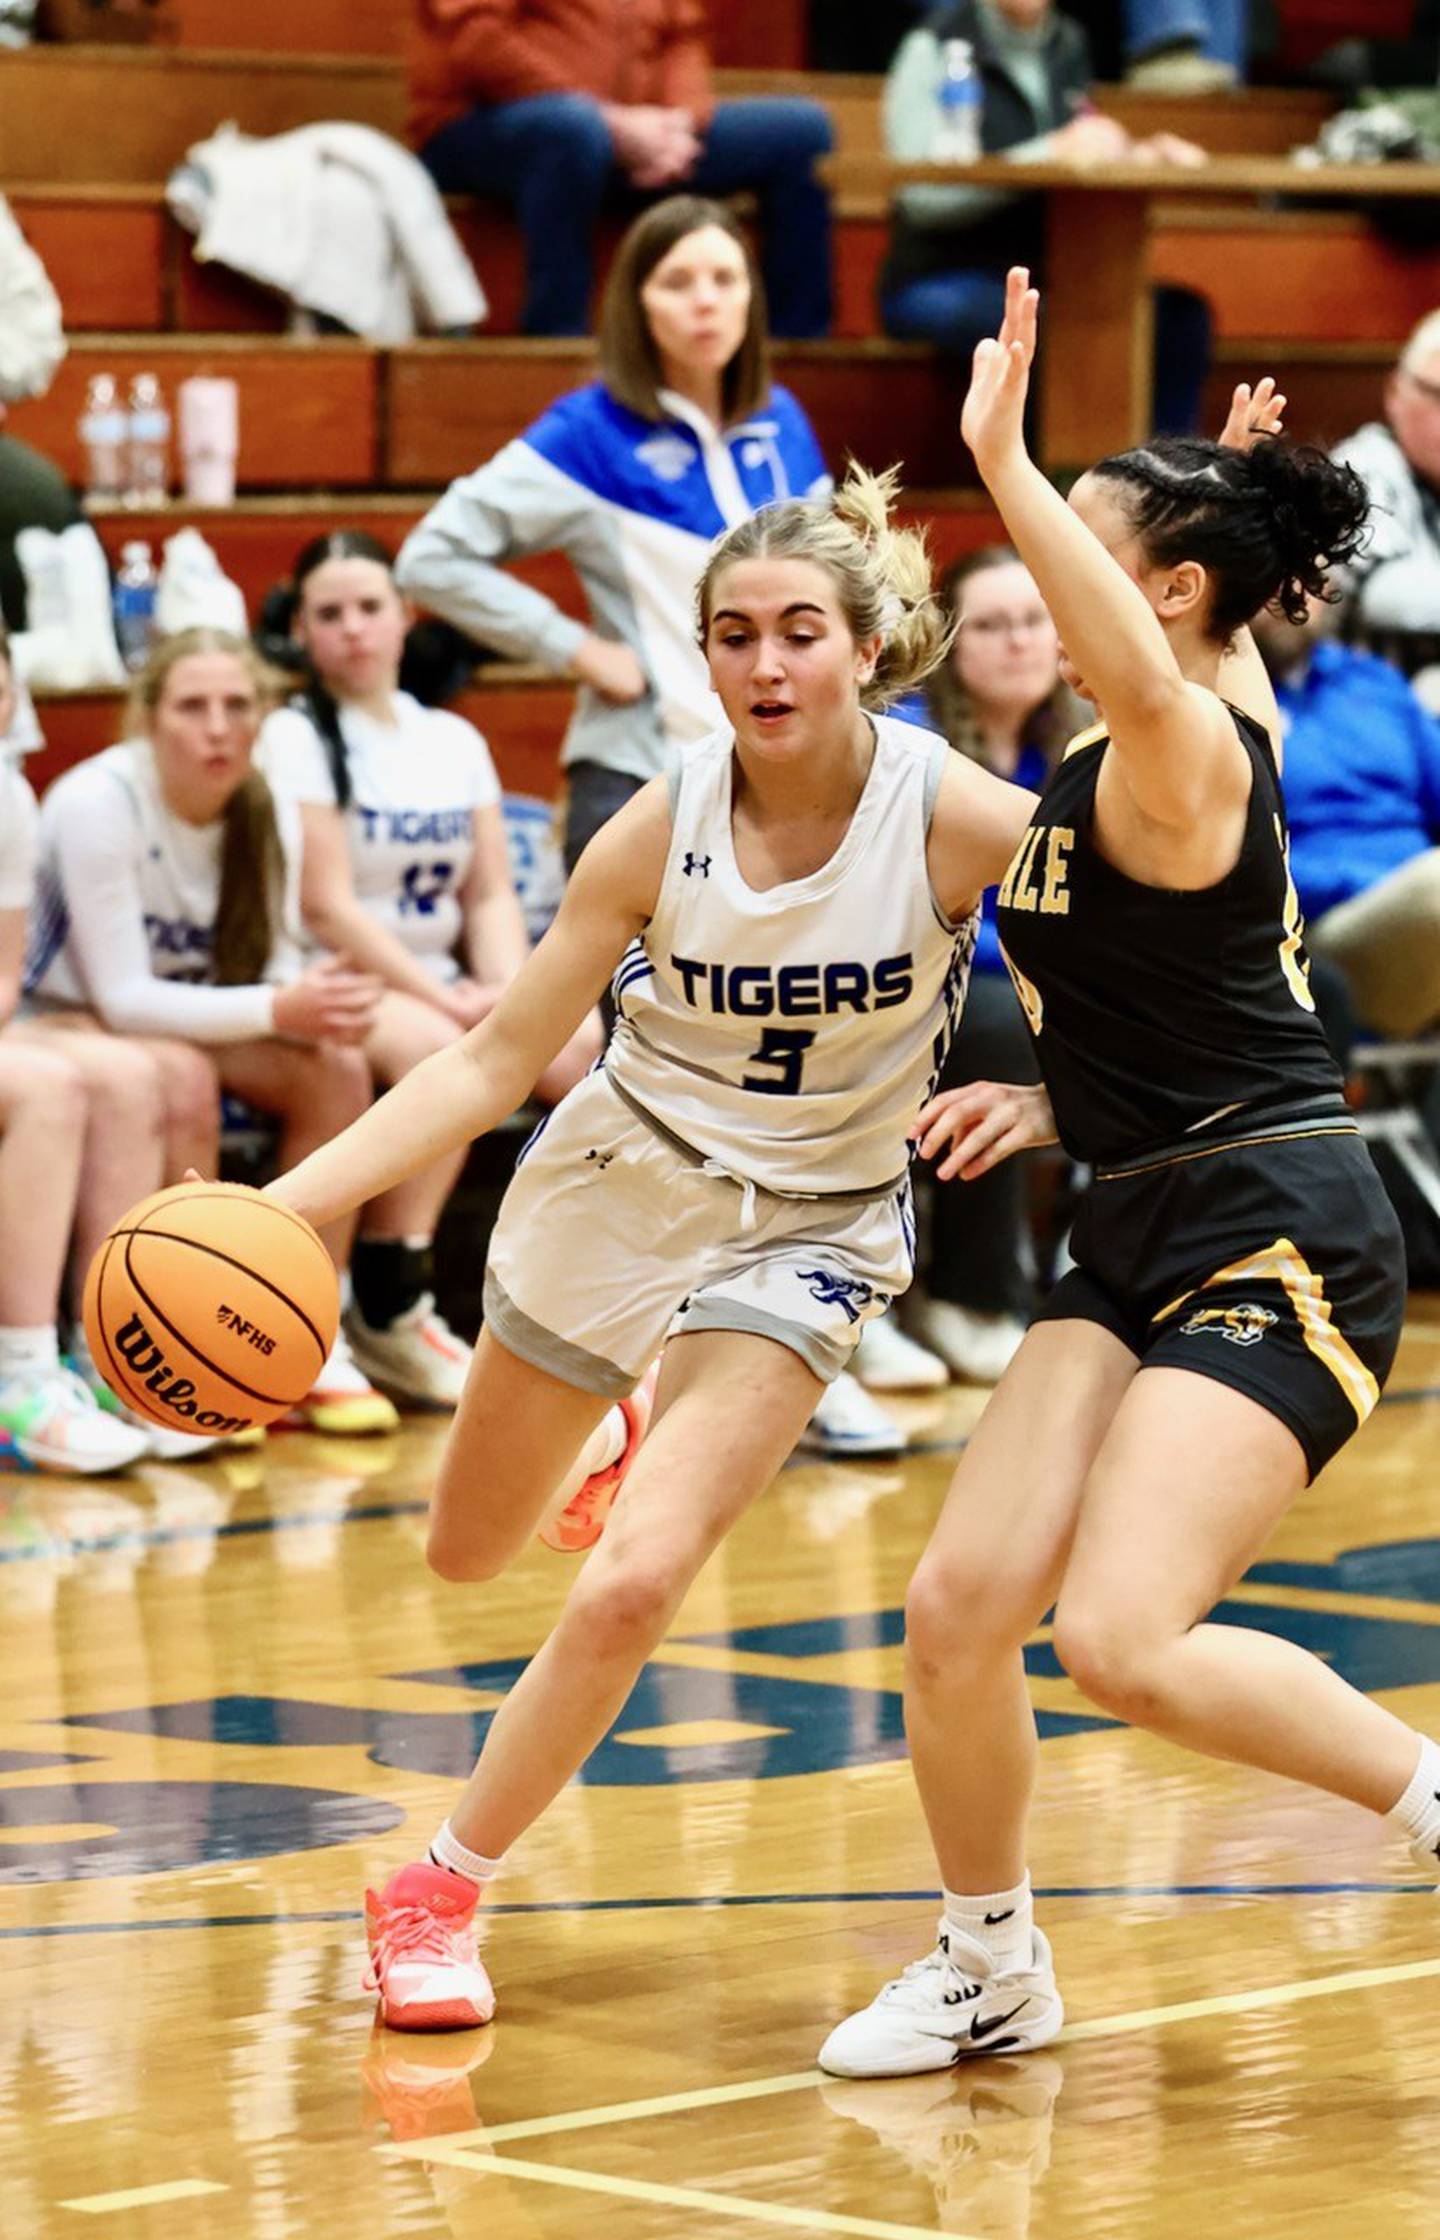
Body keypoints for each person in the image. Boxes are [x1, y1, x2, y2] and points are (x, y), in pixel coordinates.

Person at [261, 464, 1039, 2031]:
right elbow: (488, 1064)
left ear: (869, 646)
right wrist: (286, 1211)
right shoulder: (660, 819)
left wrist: (1044, 1091)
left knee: (633, 1585)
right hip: (623, 1182)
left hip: (813, 1226)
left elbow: (1163, 953)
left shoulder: (957, 813)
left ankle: (435, 1886)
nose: (765, 664)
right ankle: (619, 1405)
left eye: (800, 631)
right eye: (733, 634)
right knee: (467, 1552)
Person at [818, 290, 1437, 2080]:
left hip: (1282, 1225)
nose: (1043, 576)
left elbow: (1185, 648)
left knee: (1120, 1636)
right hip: (1140, 1215)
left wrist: (1005, 454)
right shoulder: (1125, 743)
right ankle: (990, 1961)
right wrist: (1063, 1099)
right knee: (954, 1613)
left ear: (1158, 598)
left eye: (1082, 549)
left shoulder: (1182, 754)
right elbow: (1211, 631)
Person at [398, 193, 910, 1451]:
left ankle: (808, 1316)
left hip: (780, 795)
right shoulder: (586, 432)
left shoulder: (781, 422)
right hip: (640, 789)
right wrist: (575, 644)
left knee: (817, 1050)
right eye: (678, 281)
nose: (704, 304)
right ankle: (648, 1351)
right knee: (670, 1080)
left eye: (725, 282)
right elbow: (434, 554)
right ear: (636, 301)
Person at [23, 628, 400, 1440]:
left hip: (182, 1017)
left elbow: (264, 966)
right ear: (148, 719)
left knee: (333, 1067)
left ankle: (308, 1324)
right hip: (64, 1019)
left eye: (238, 705)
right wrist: (278, 1008)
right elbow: (122, 998)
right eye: (194, 707)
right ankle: (154, 1338)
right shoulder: (99, 802)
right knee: (179, 1070)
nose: (219, 727)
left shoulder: (265, 808)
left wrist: (312, 1005)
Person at [260, 529, 602, 1409]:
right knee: (437, 1057)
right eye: (328, 614)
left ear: (404, 617)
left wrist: (508, 991)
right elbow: (326, 904)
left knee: (582, 1047)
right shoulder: (292, 736)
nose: (352, 630)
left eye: (369, 608)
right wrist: (453, 1002)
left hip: (442, 980)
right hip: (342, 976)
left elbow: (489, 891)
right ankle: (385, 1301)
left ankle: (606, 1295)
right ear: (301, 630)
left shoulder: (449, 737)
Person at [865, 546, 1078, 1388]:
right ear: (949, 642)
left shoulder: (1076, 745)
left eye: (1033, 621)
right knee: (1000, 1024)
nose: (1020, 642)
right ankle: (965, 1294)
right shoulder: (909, 740)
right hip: (904, 978)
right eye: (990, 625)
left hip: (1022, 979)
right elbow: (919, 908)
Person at [878, 0, 1214, 438]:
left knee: (1180, 316)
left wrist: (1140, 152)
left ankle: (1162, 485)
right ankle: (1053, 482)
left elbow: (1078, 139)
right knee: (1045, 324)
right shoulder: (935, 46)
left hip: (1054, 271)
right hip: (944, 272)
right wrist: (1049, 151)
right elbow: (920, 194)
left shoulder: (1066, 41)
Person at [408, 0, 834, 339]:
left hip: (632, 134)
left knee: (802, 132)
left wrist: (677, 126)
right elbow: (478, 41)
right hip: (485, 127)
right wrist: (612, 122)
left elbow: (682, 37)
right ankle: (556, 339)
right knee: (572, 130)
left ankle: (792, 347)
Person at [0, 630, 154, 1475]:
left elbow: (2, 973)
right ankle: (17, 1377)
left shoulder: (9, 797)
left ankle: (107, 1360)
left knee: (131, 1079)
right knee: (48, 1090)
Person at [1253, 595, 1440, 1040]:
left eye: (1305, 577)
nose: (1288, 597)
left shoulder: (1376, 682)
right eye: (1272, 576)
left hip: (1418, 906)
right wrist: (1373, 882)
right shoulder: (1219, 699)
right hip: (1316, 931)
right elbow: (1239, 857)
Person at [1333, 312, 1440, 685]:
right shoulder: (1363, 467)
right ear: (1395, 391)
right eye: (1437, 396)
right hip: (1364, 707)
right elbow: (1383, 593)